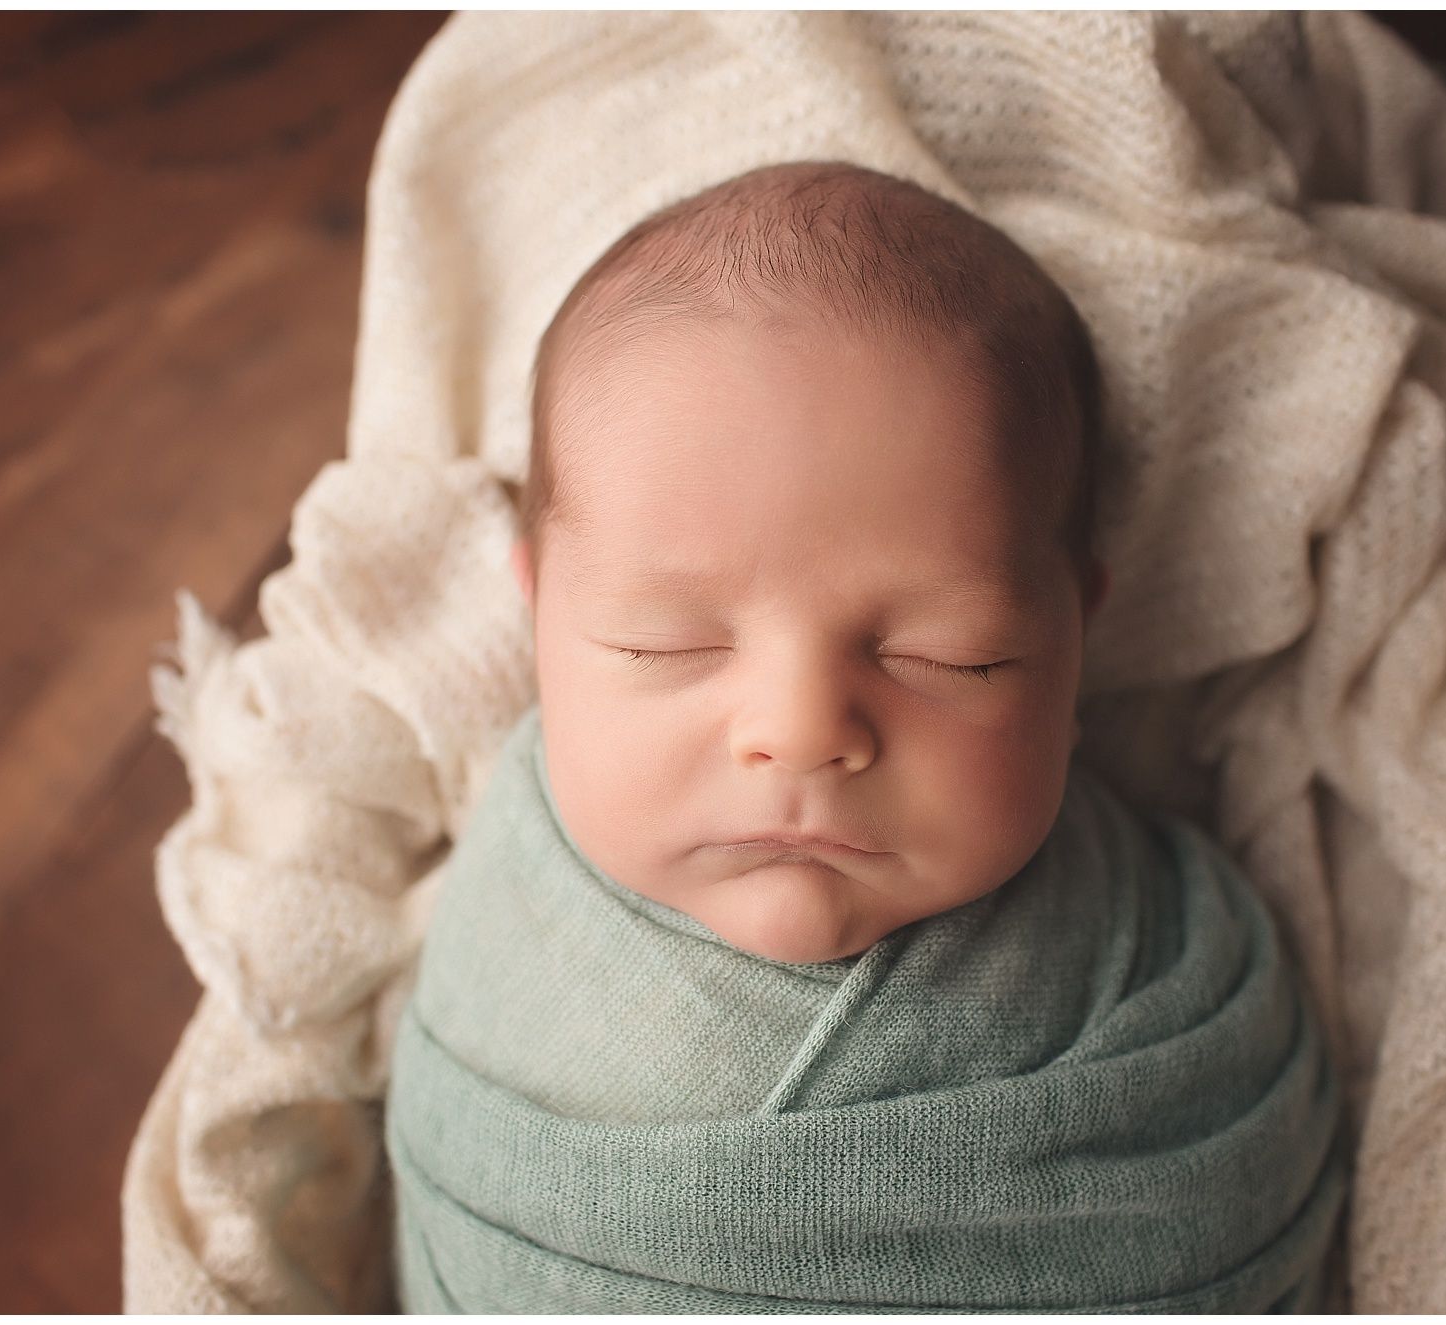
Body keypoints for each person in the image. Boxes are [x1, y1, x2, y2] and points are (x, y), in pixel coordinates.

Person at [385, 160, 1344, 1313]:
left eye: (949, 655)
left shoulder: (1166, 969)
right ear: (537, 617)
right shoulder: (509, 906)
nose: (799, 732)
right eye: (667, 643)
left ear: (1074, 641)